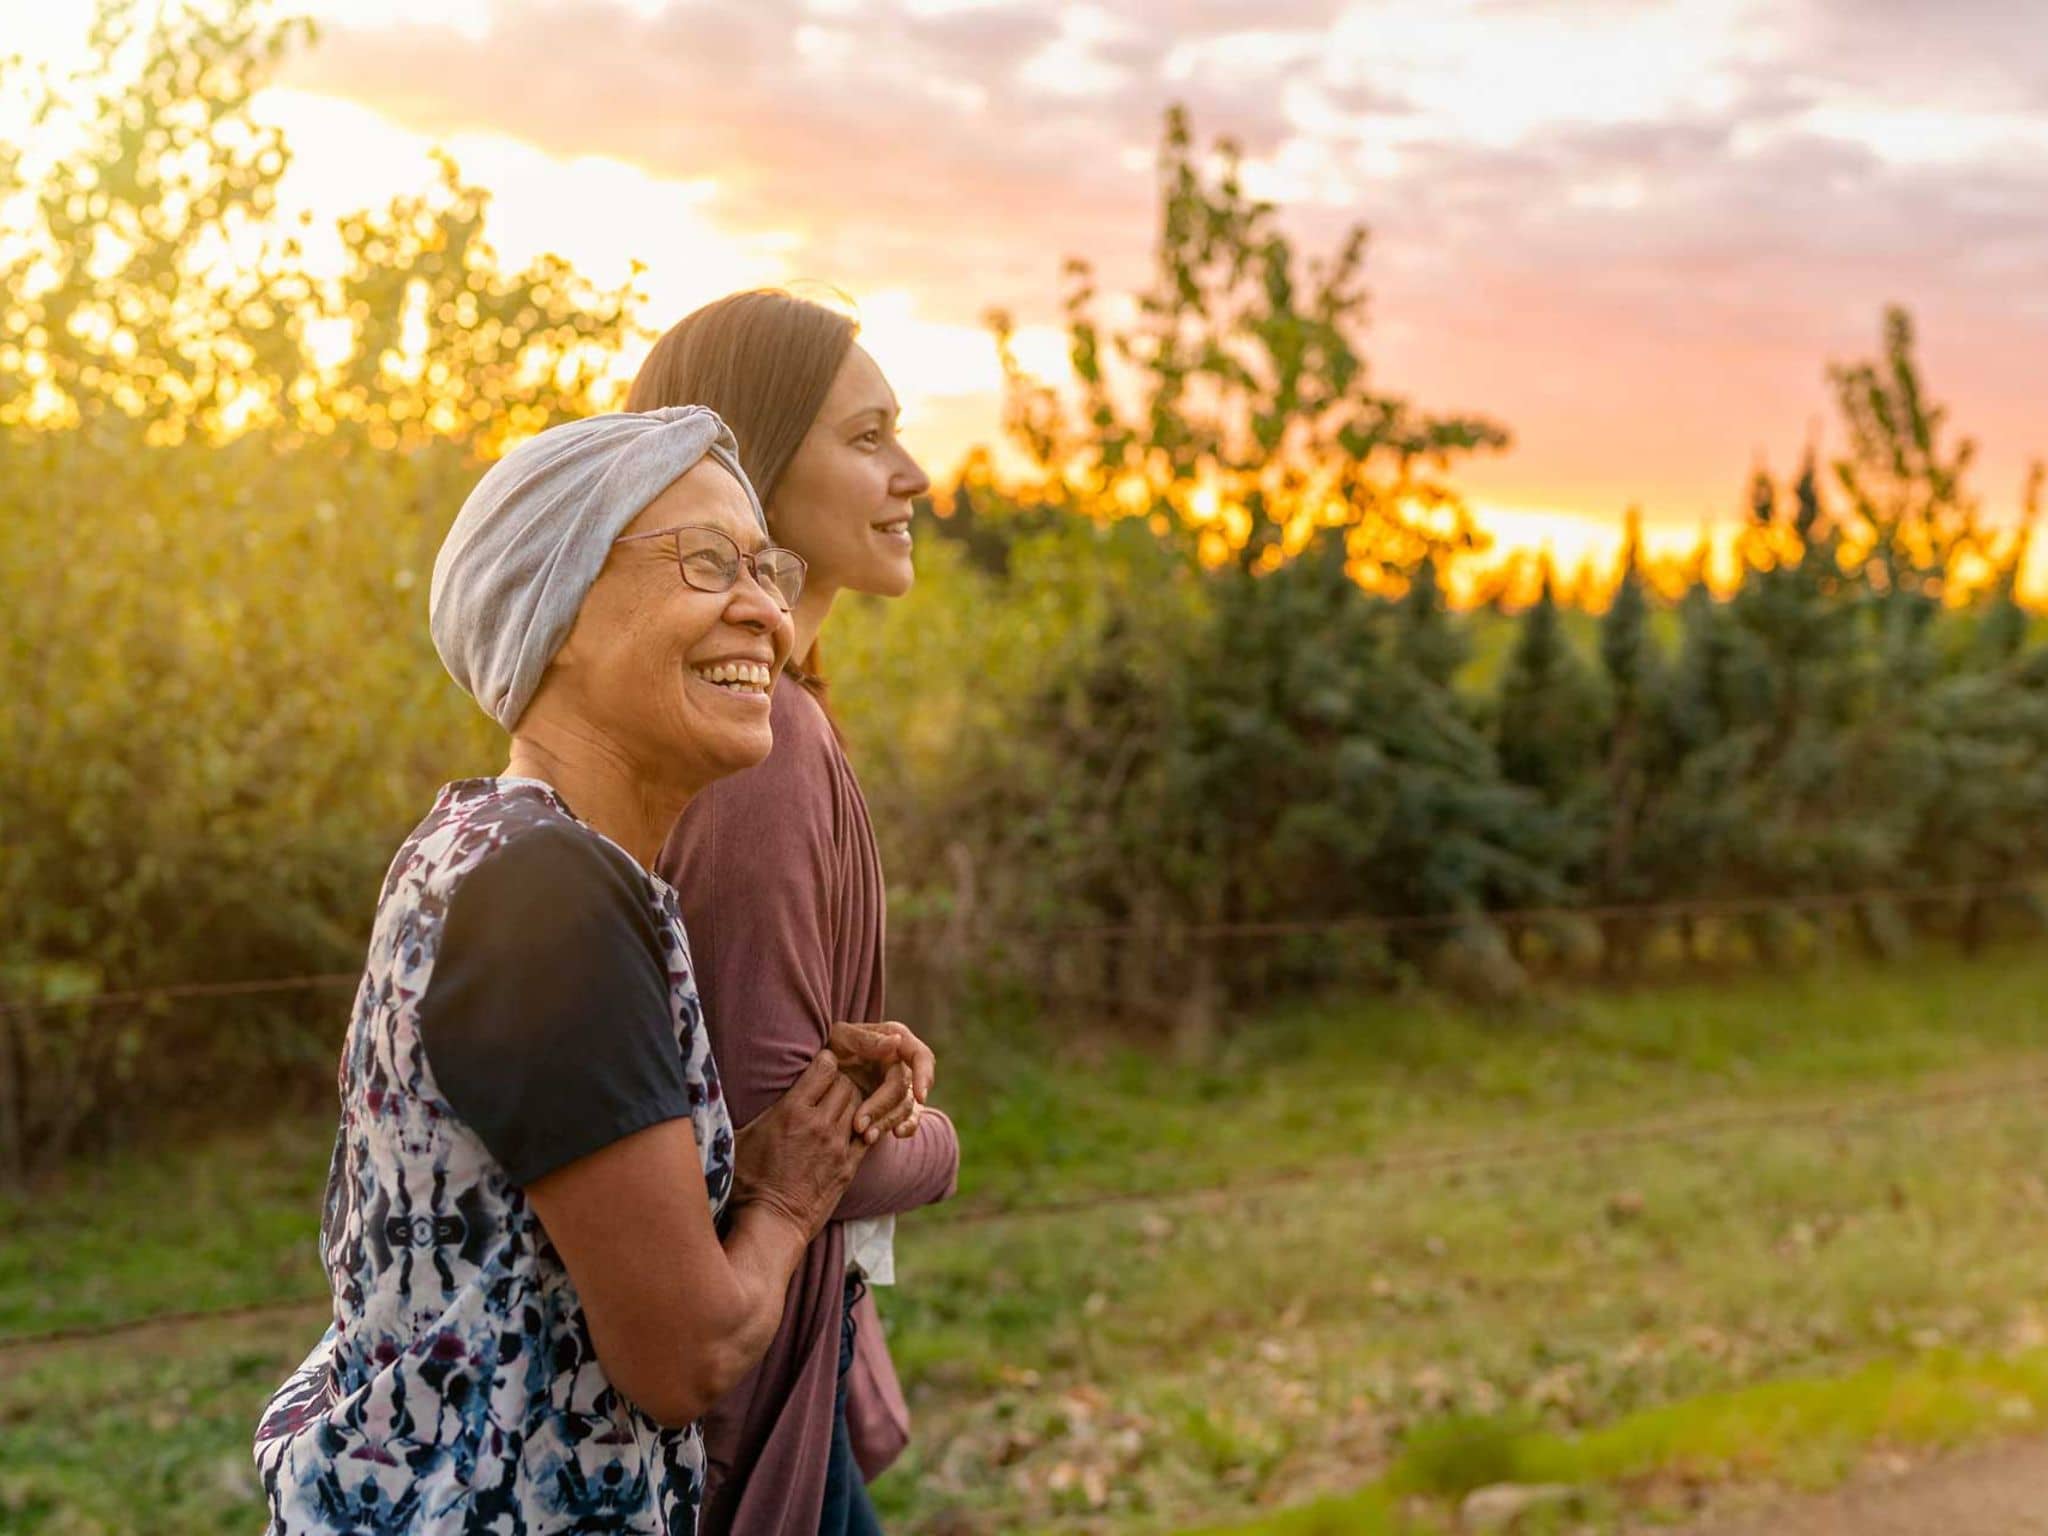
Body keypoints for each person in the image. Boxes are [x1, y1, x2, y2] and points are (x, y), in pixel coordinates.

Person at [253, 406, 926, 1534]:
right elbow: (688, 1353)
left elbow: (535, 1230)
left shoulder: (485, 848)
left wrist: (779, 1139)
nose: (765, 608)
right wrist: (786, 1197)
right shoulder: (552, 897)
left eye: (765, 566)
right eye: (708, 562)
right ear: (557, 609)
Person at [626, 291, 959, 1534]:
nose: (912, 474)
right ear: (750, 469)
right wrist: (935, 1141)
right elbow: (776, 1140)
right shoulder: (766, 751)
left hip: (775, 1360)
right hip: (752, 1404)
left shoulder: (762, 715)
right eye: (866, 438)